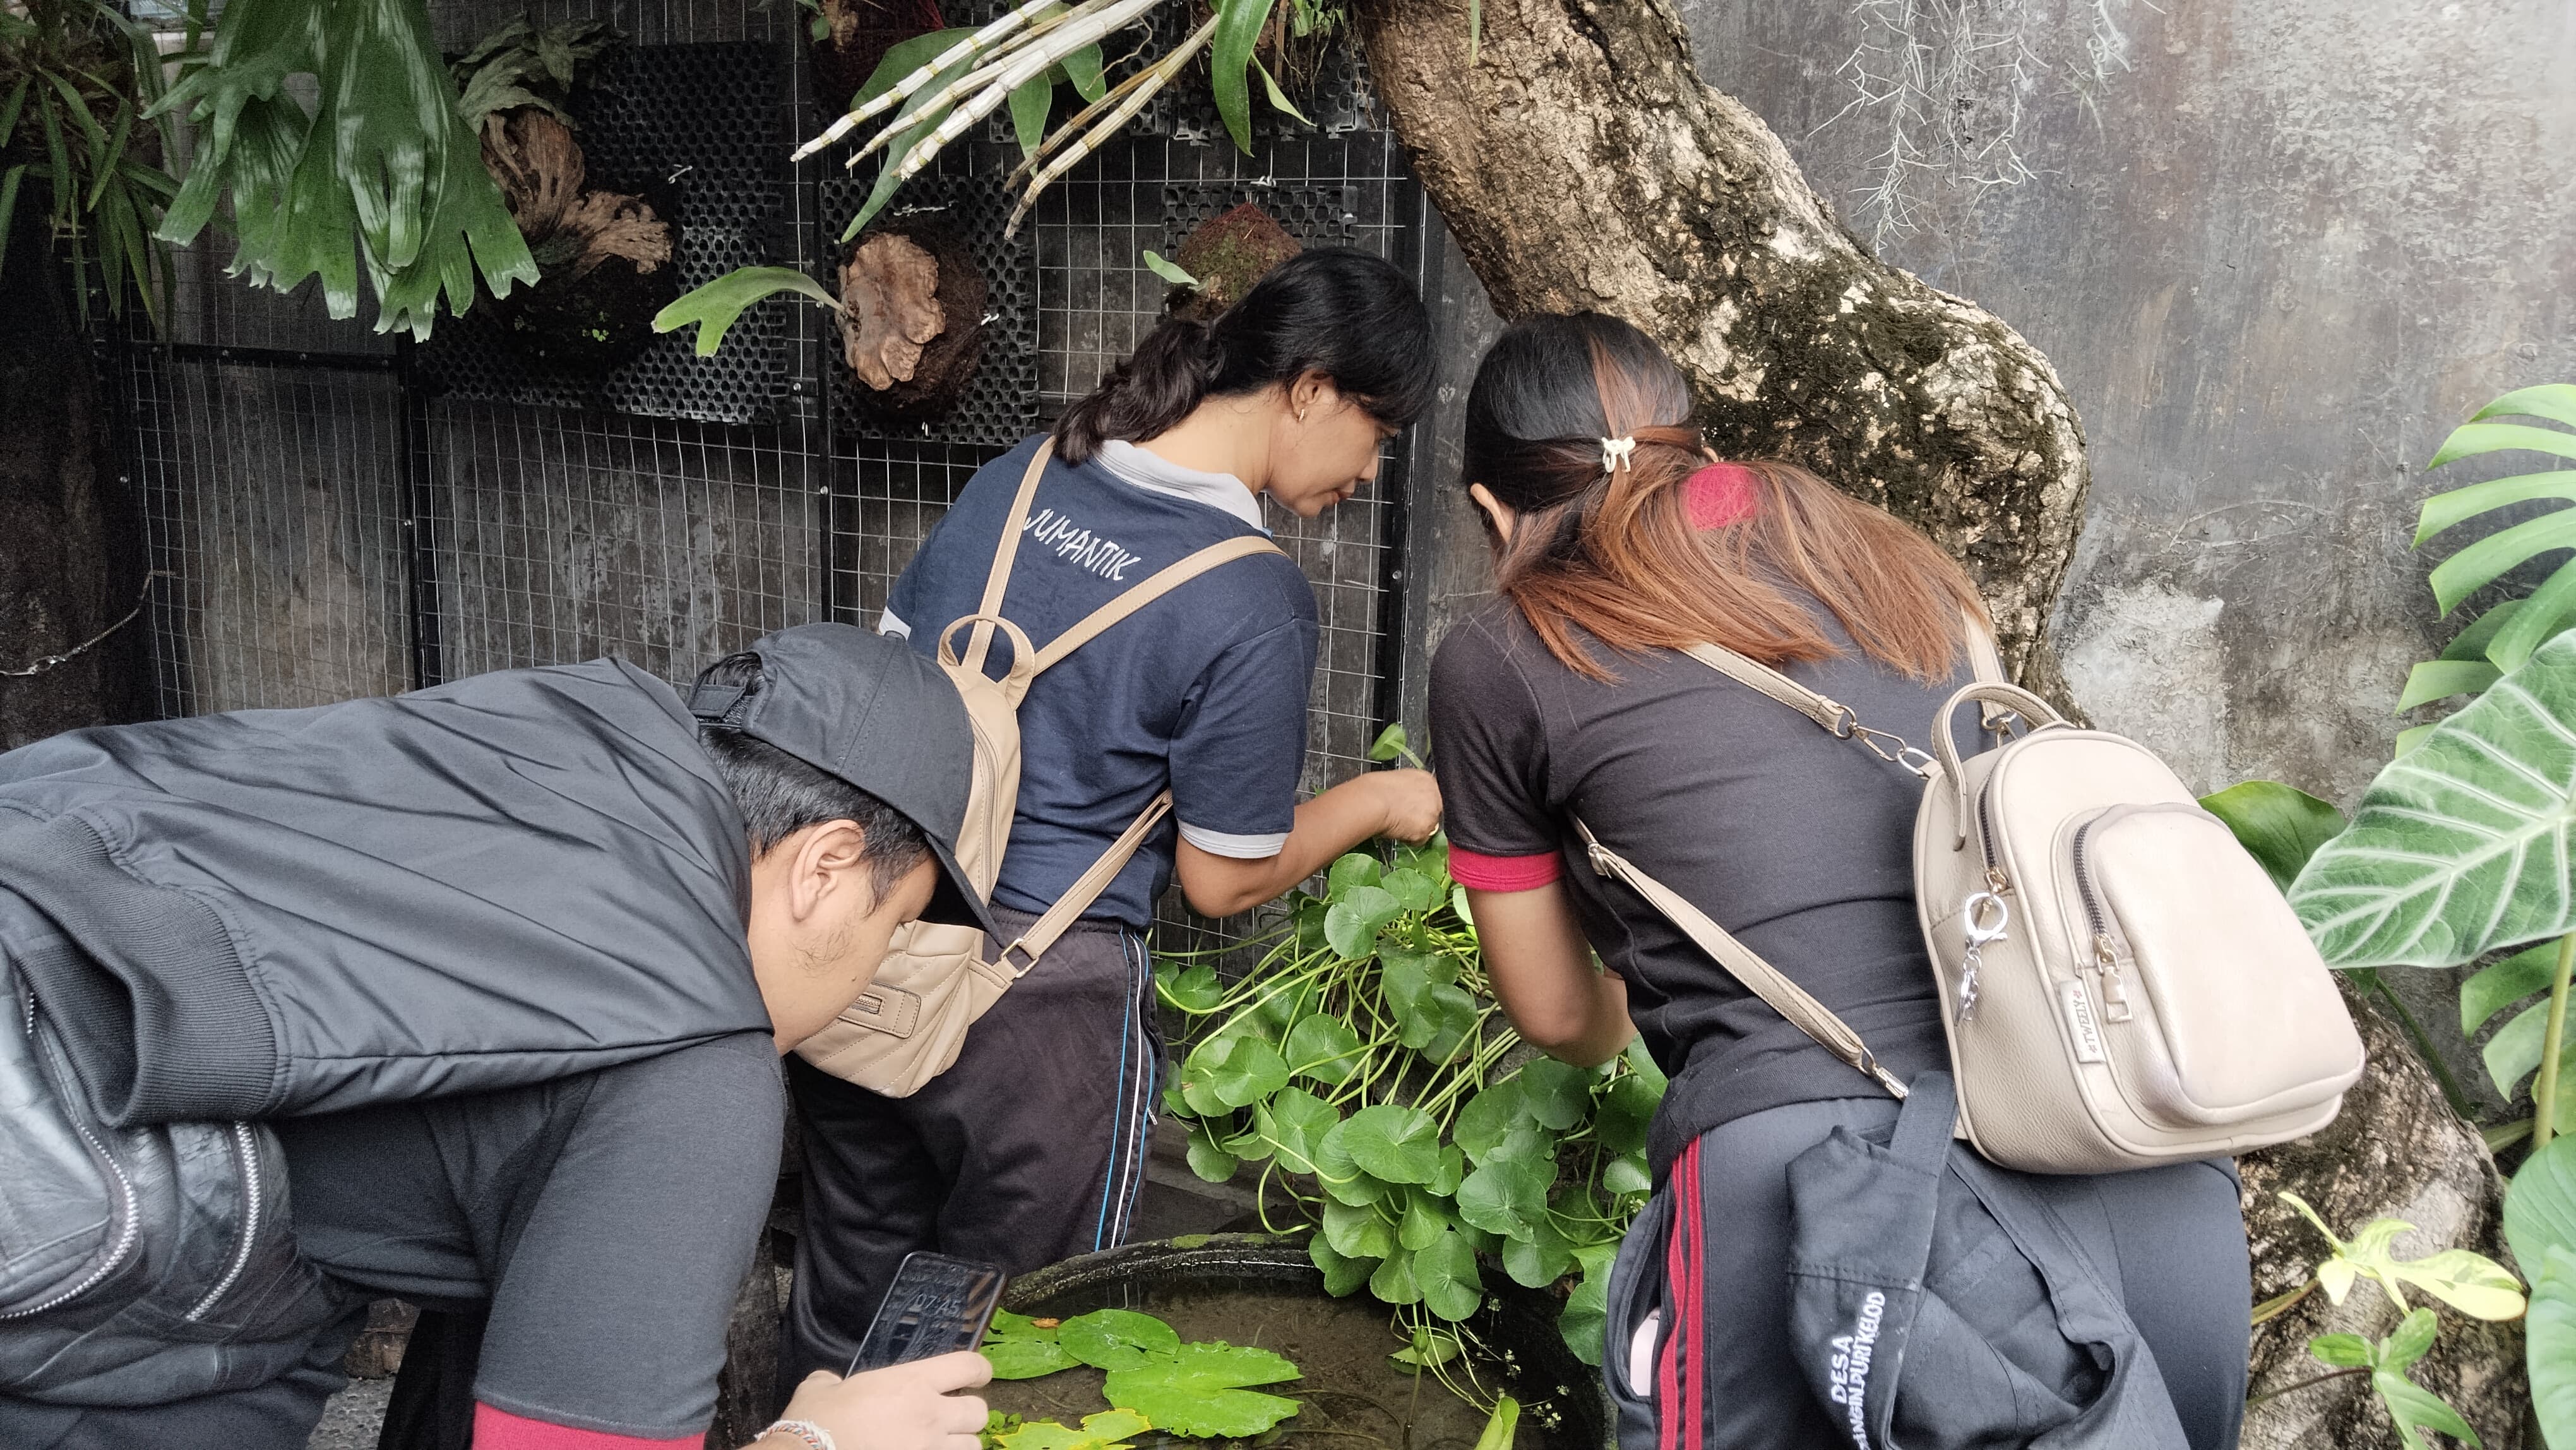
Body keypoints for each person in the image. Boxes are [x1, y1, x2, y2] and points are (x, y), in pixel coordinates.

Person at [1426, 314, 2251, 1450]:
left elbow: (1566, 1018)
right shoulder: (1904, 568)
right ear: (1698, 454)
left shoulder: (1504, 655)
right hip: (2137, 1170)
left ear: (1491, 510)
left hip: (1828, 1200)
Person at [0, 624, 999, 1450]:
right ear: (825, 868)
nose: (875, 971)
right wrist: (822, 1442)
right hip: (50, 1170)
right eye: (895, 928)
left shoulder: (548, 732)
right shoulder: (697, 1059)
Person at [782, 248, 1445, 1381]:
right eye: (1381, 433)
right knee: (1024, 1339)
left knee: (847, 1304)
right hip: (1039, 1013)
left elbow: (886, 690)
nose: (1374, 471)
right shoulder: (1251, 592)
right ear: (1312, 389)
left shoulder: (1024, 473)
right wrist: (1382, 799)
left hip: (869, 949)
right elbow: (1223, 878)